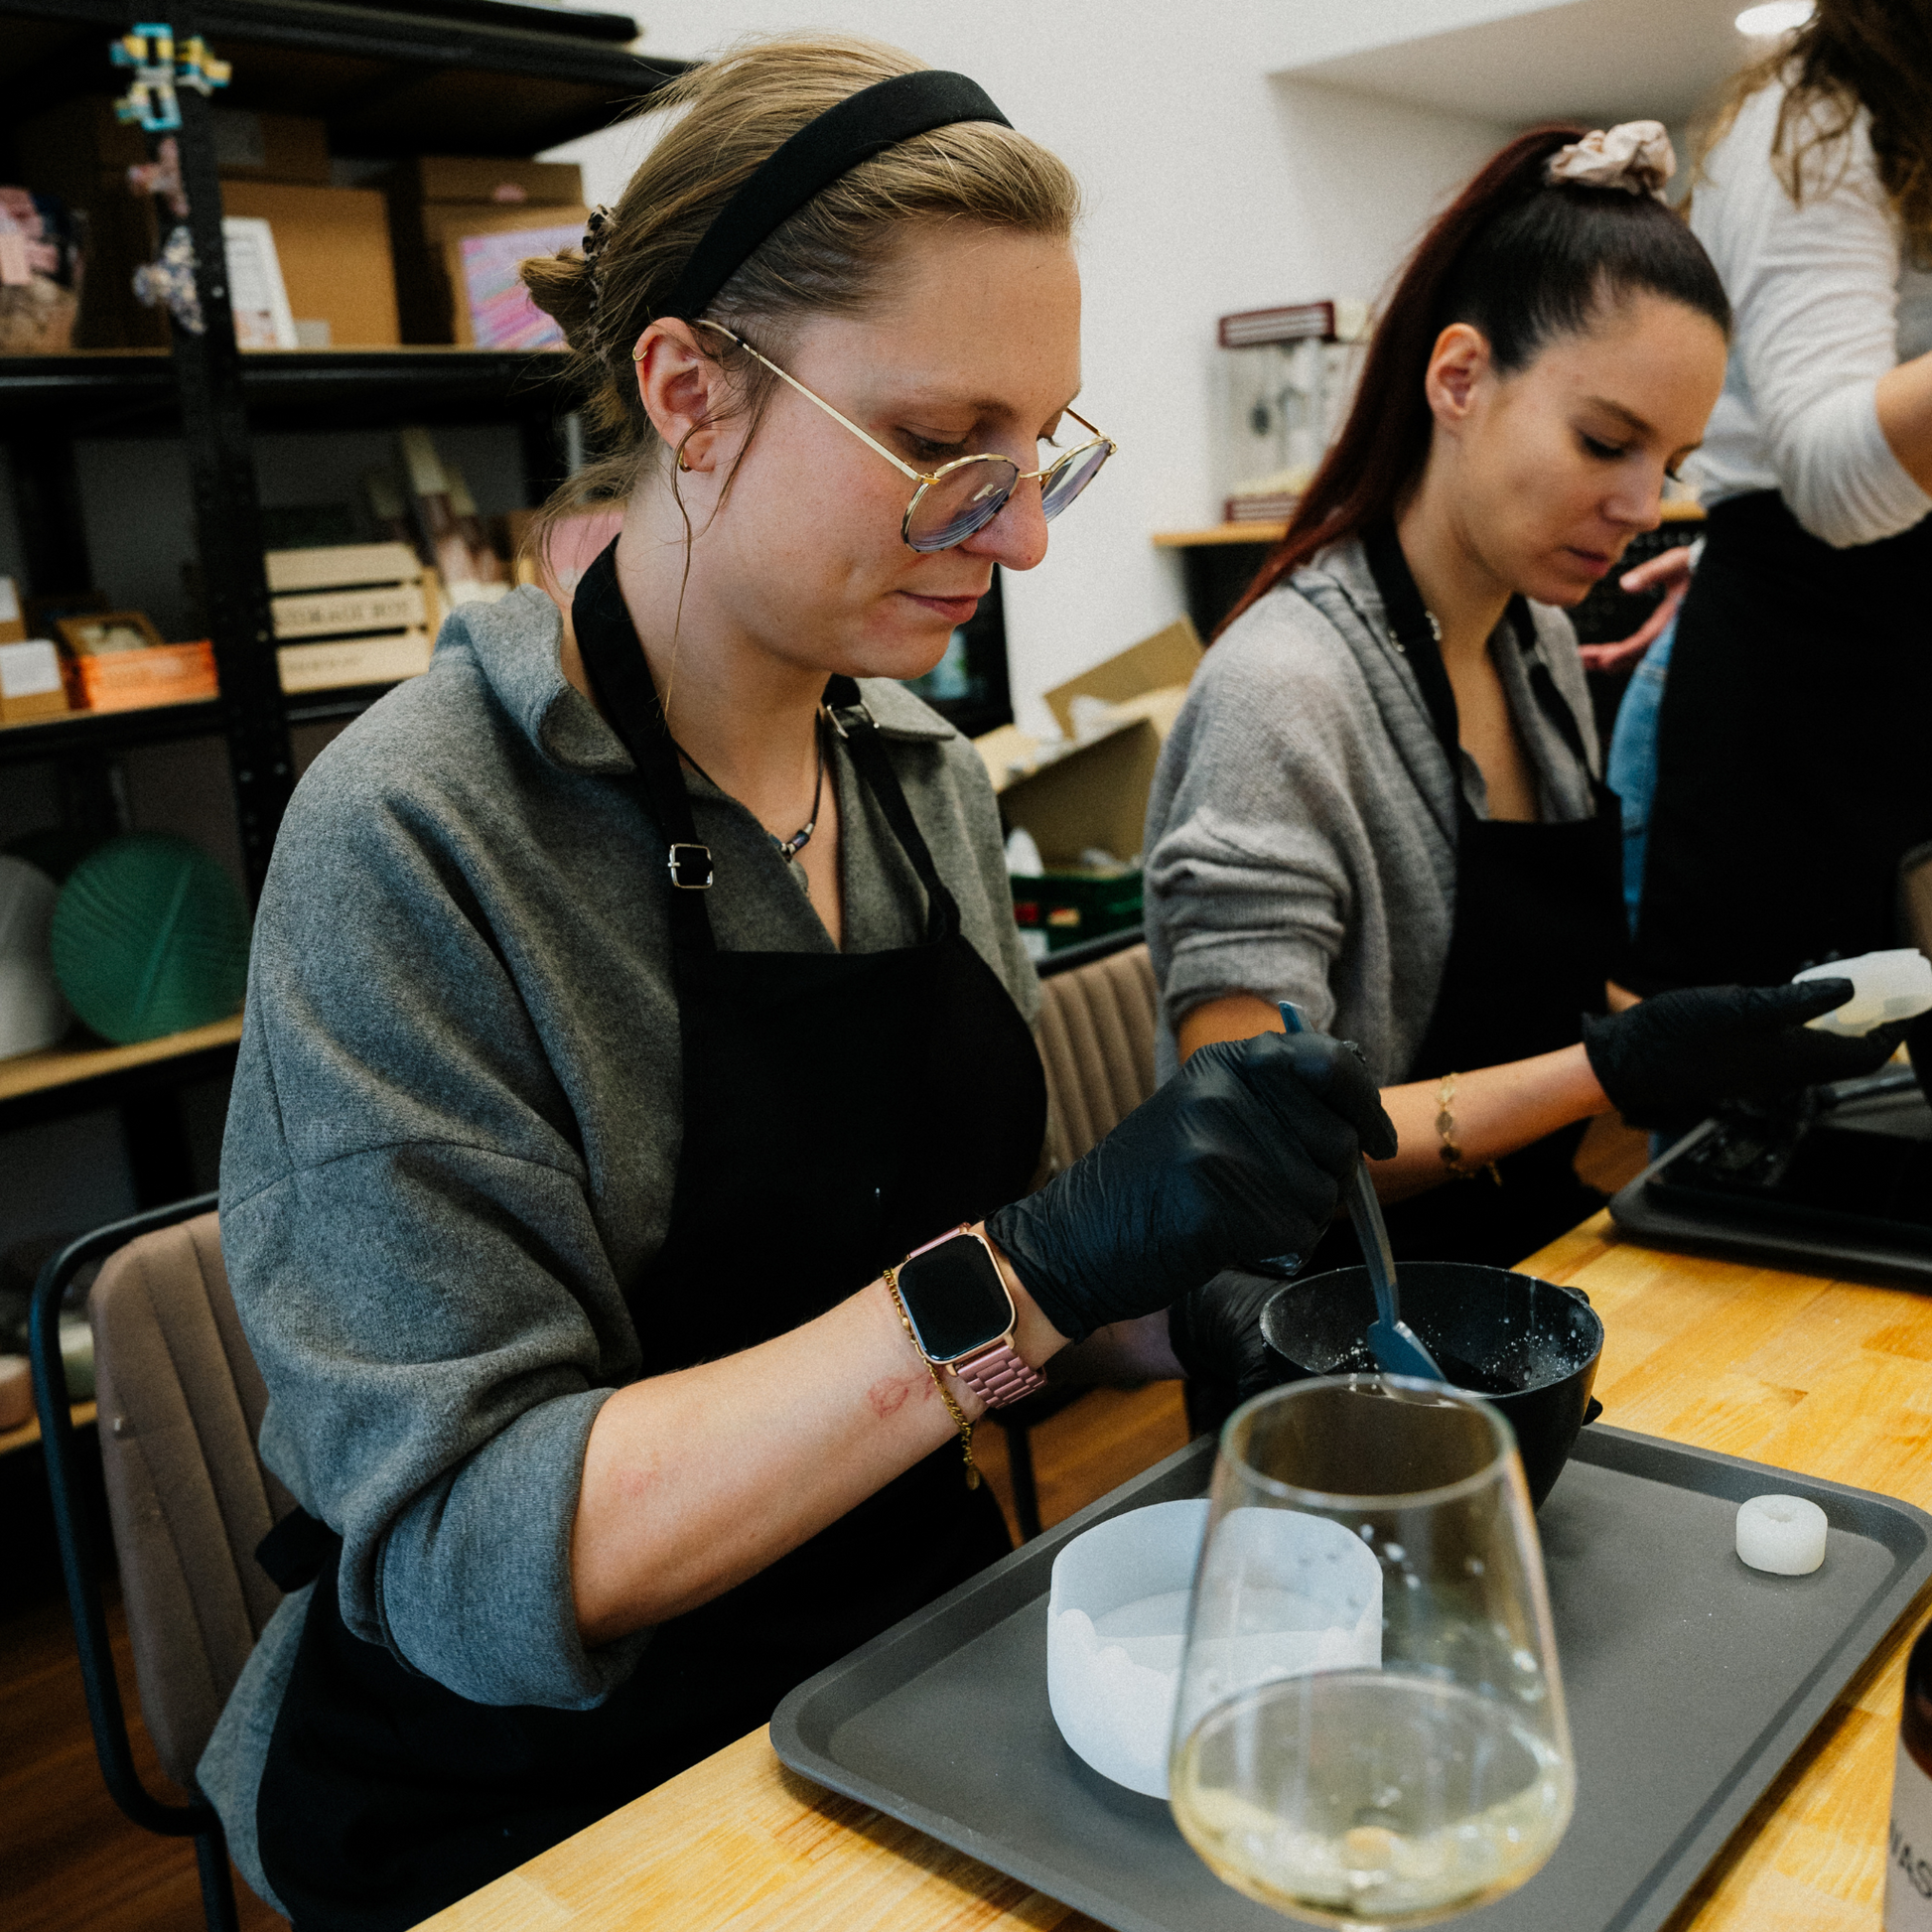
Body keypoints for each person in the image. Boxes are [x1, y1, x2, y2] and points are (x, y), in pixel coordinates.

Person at [197, 39, 1393, 1932]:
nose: (1021, 533)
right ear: (691, 393)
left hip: (905, 1662)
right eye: (941, 443)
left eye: (1040, 448)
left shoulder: (917, 778)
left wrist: (1186, 1292)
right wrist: (1040, 1265)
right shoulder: (415, 838)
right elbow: (473, 1558)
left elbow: (966, 1301)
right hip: (548, 1791)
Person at [1144, 122, 1896, 1276]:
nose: (1640, 505)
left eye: (1670, 463)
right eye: (1603, 441)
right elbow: (1252, 1143)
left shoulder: (1532, 640)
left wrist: (1730, 1038)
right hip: (1337, 1326)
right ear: (1457, 378)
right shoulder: (1281, 694)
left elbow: (1527, 1000)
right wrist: (1610, 1067)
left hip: (1529, 1259)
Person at [1631, 0, 1932, 995]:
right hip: (1812, 685)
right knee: (1798, 1060)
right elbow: (1831, 482)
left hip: (1876, 647)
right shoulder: (1814, 119)